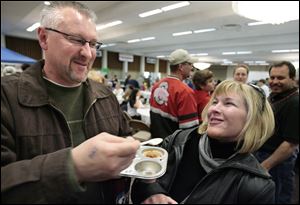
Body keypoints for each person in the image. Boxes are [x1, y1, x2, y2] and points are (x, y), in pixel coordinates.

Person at [1, 2, 140, 203]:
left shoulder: (104, 95)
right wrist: (71, 167)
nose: (87, 53)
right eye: (76, 40)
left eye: (93, 44)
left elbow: (127, 141)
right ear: (43, 38)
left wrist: (150, 191)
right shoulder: (6, 97)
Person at [132, 80, 276, 204]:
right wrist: (151, 192)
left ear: (252, 119)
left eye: (228, 103)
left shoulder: (255, 185)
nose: (214, 109)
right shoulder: (179, 141)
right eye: (214, 102)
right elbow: (139, 180)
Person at [255, 61, 299, 204]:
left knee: (277, 198)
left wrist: (265, 166)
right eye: (272, 77)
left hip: (278, 163)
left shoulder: (295, 103)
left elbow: (290, 144)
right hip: (263, 155)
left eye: (280, 78)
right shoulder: (274, 96)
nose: (274, 82)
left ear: (292, 79)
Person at [149, 49, 199, 139]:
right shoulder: (185, 92)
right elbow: (190, 131)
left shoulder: (156, 86)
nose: (192, 67)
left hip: (156, 143)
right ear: (181, 67)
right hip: (173, 148)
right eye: (190, 64)